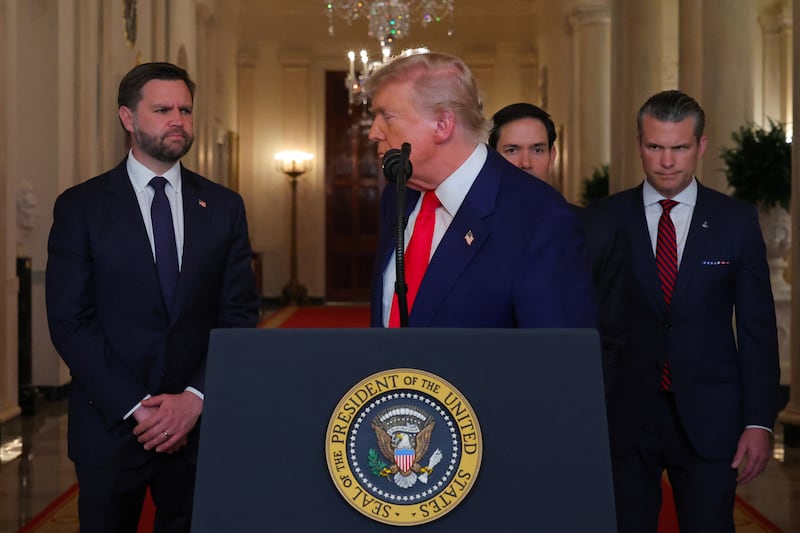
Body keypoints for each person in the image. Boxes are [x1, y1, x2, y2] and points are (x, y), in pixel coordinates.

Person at [46, 62, 260, 532]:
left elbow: (239, 315)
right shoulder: (81, 207)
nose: (178, 120)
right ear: (128, 118)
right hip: (111, 424)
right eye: (162, 109)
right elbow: (70, 322)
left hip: (199, 428)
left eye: (185, 109)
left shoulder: (224, 206)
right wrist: (137, 406)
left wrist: (195, 397)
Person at [591, 90, 780, 532]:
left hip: (712, 416)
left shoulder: (735, 221)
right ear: (639, 144)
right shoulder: (603, 219)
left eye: (679, 147)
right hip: (624, 415)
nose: (667, 161)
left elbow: (757, 329)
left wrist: (759, 421)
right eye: (655, 147)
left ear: (700, 146)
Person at [365, 52, 596, 328]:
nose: (374, 133)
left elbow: (556, 356)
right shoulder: (397, 195)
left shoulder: (541, 217)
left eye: (387, 117)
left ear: (442, 125)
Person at [488, 103, 631, 454]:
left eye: (537, 150)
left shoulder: (597, 231)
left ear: (552, 155)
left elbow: (613, 334)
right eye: (511, 150)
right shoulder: (467, 233)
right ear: (490, 158)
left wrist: (592, 411)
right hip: (486, 407)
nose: (525, 162)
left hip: (571, 408)